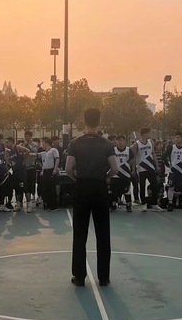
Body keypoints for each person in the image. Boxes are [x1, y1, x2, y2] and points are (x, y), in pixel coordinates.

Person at [65, 108, 118, 287]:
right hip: (99, 187)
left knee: (80, 233)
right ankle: (104, 277)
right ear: (99, 121)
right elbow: (115, 168)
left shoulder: (75, 143)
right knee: (103, 233)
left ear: (84, 121)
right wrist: (105, 177)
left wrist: (77, 178)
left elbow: (68, 168)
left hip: (82, 187)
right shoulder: (106, 144)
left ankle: (79, 276)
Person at [132, 127, 162, 212]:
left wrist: (157, 165)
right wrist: (133, 170)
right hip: (142, 168)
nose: (150, 134)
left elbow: (153, 154)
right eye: (149, 133)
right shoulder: (137, 144)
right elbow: (134, 158)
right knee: (142, 186)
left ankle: (154, 204)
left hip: (150, 167)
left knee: (155, 185)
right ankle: (143, 204)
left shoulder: (151, 142)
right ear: (144, 134)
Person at [165, 131, 182, 212]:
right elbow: (164, 156)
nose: (176, 139)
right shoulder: (171, 147)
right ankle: (170, 203)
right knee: (171, 187)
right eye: (175, 137)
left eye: (178, 137)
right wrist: (168, 165)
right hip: (173, 171)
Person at [109, 135, 135, 212]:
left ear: (124, 141)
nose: (120, 142)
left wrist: (131, 169)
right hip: (115, 174)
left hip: (125, 174)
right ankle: (113, 205)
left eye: (121, 140)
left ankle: (128, 205)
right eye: (118, 140)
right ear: (116, 142)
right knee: (113, 190)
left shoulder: (128, 150)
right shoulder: (113, 150)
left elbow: (133, 159)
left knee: (127, 190)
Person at [39, 138, 60, 211]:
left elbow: (57, 159)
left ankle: (54, 206)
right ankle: (47, 204)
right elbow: (43, 162)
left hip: (51, 170)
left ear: (46, 143)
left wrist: (55, 169)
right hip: (45, 171)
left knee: (51, 188)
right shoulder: (44, 153)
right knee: (45, 188)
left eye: (43, 143)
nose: (42, 145)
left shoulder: (53, 150)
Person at [22, 131, 40, 212]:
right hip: (24, 168)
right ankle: (24, 202)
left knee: (31, 185)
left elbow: (35, 152)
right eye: (25, 136)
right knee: (24, 186)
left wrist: (27, 146)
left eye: (28, 136)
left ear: (30, 136)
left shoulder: (34, 144)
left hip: (31, 167)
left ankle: (31, 202)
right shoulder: (22, 144)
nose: (26, 137)